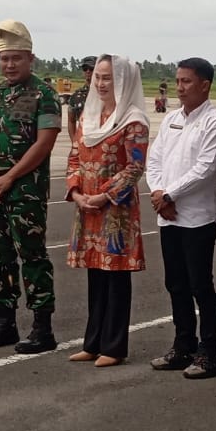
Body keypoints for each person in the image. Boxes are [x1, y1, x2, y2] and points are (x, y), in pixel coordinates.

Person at [0, 20, 63, 351]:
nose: (9, 65)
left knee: (32, 256)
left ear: (31, 59)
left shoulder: (44, 95)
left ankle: (42, 328)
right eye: (5, 59)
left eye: (16, 59)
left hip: (25, 191)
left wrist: (10, 176)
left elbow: (44, 143)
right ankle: (5, 322)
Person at [146, 58, 216, 378]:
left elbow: (206, 169)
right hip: (168, 216)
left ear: (205, 85)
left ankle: (211, 354)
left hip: (197, 217)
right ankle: (183, 346)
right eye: (178, 81)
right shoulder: (170, 119)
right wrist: (159, 194)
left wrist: (169, 195)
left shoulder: (215, 123)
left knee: (200, 285)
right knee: (176, 284)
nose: (179, 87)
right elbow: (154, 161)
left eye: (186, 82)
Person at [65, 55, 149, 366]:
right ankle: (93, 342)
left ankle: (113, 346)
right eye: (98, 77)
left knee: (115, 276)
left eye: (108, 78)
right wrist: (75, 192)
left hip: (116, 210)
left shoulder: (134, 120)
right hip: (87, 207)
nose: (101, 84)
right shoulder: (90, 115)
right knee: (95, 275)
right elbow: (74, 157)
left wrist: (102, 196)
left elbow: (135, 167)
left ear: (124, 82)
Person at [67, 56, 96, 139]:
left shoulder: (106, 94)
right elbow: (71, 121)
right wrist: (74, 142)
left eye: (91, 68)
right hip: (82, 141)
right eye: (85, 68)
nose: (88, 71)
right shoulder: (76, 96)